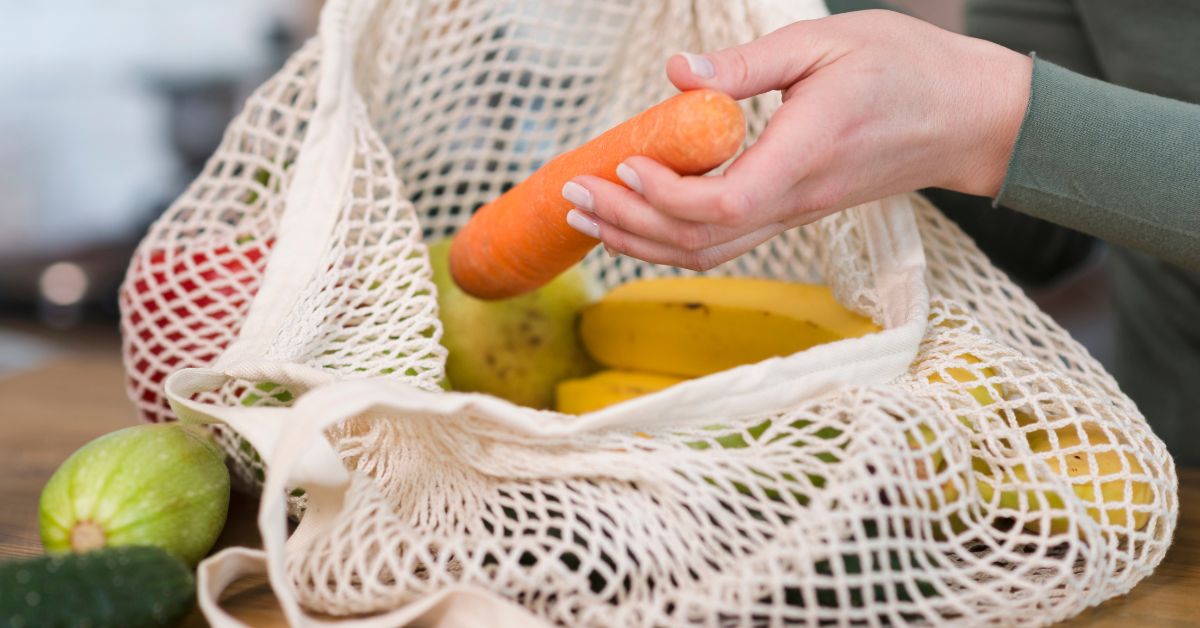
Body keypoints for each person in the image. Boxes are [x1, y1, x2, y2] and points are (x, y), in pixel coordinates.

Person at [560, 1, 1200, 465]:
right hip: (1155, 462)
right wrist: (809, 32)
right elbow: (1040, 233)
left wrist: (990, 118)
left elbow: (1009, 126)